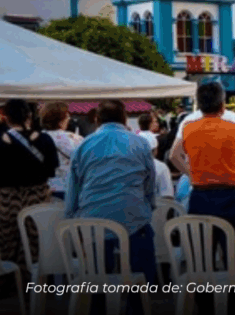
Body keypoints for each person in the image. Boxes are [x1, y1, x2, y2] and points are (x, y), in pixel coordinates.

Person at [168, 82, 235, 315]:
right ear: (222, 105)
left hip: (201, 195)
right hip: (232, 195)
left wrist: (192, 173)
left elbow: (174, 155)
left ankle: (205, 307)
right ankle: (234, 306)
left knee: (202, 257)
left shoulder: (188, 127)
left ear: (199, 103)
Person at [65, 100, 156, 315]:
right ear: (125, 119)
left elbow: (73, 190)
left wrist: (73, 220)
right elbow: (149, 185)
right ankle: (138, 307)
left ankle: (98, 308)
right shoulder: (140, 144)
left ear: (97, 119)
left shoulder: (84, 145)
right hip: (134, 221)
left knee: (96, 278)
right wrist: (147, 207)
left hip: (92, 225)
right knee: (143, 272)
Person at [0, 99, 59, 291]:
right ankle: (32, 285)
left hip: (6, 197)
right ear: (29, 116)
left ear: (5, 116)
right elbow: (51, 170)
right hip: (37, 197)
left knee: (5, 241)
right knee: (34, 243)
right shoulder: (44, 139)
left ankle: (7, 283)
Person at [41, 102, 84, 200]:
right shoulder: (75, 139)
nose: (69, 119)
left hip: (44, 188)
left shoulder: (38, 138)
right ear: (60, 121)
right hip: (70, 187)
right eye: (67, 117)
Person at [137, 132, 175, 199]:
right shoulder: (161, 167)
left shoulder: (129, 164)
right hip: (155, 208)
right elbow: (168, 196)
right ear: (156, 150)